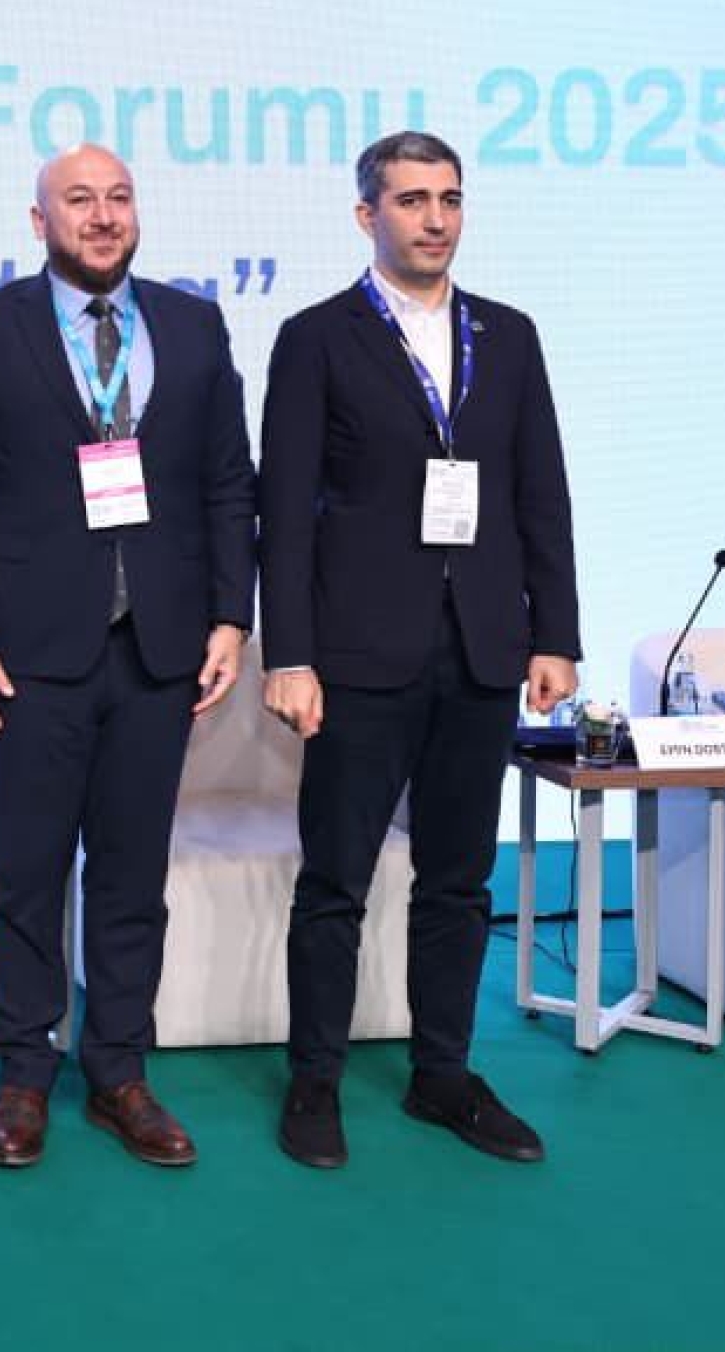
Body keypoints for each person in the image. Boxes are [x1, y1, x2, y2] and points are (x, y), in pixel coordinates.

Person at [0, 144, 255, 1169]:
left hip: (160, 649)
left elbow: (228, 482)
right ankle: (24, 1072)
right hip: (28, 654)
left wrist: (231, 617)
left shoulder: (193, 325)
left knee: (131, 874)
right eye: (79, 200)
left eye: (118, 198)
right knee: (24, 873)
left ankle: (118, 1072)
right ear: (40, 221)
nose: (102, 216)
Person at [258, 130, 580, 1169]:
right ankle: (315, 1080)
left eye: (449, 198)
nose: (435, 219)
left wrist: (556, 633)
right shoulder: (316, 338)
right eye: (411, 200)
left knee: (459, 880)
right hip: (358, 653)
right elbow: (284, 514)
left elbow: (541, 492)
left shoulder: (510, 335)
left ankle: (443, 1073)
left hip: (482, 649)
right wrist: (289, 654)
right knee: (336, 881)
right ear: (368, 215)